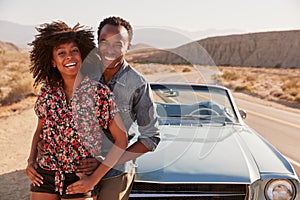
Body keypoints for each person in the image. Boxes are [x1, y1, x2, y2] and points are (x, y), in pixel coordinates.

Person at [25, 21, 128, 200]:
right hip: (45, 174)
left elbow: (121, 140)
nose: (69, 57)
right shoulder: (47, 92)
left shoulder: (99, 93)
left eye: (74, 51)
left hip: (80, 176)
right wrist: (31, 161)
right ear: (53, 62)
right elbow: (39, 131)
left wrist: (94, 180)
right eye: (61, 53)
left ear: (83, 56)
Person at [68, 16, 161, 199]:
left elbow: (151, 138)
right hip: (78, 167)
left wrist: (104, 164)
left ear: (128, 47)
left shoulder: (138, 84)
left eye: (118, 44)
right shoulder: (84, 75)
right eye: (104, 42)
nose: (109, 49)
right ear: (97, 43)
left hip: (116, 173)